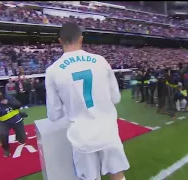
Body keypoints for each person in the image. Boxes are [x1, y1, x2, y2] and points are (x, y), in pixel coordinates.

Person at [45, 22, 129, 180]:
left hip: (82, 137)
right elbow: (116, 98)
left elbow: (54, 115)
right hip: (108, 131)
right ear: (81, 39)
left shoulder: (53, 71)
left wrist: (72, 105)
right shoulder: (100, 61)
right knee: (117, 175)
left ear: (60, 41)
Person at [0, 88, 27, 157]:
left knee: (22, 139)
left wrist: (8, 102)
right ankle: (6, 149)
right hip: (4, 122)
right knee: (3, 134)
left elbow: (18, 104)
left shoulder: (8, 97)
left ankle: (19, 137)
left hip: (16, 119)